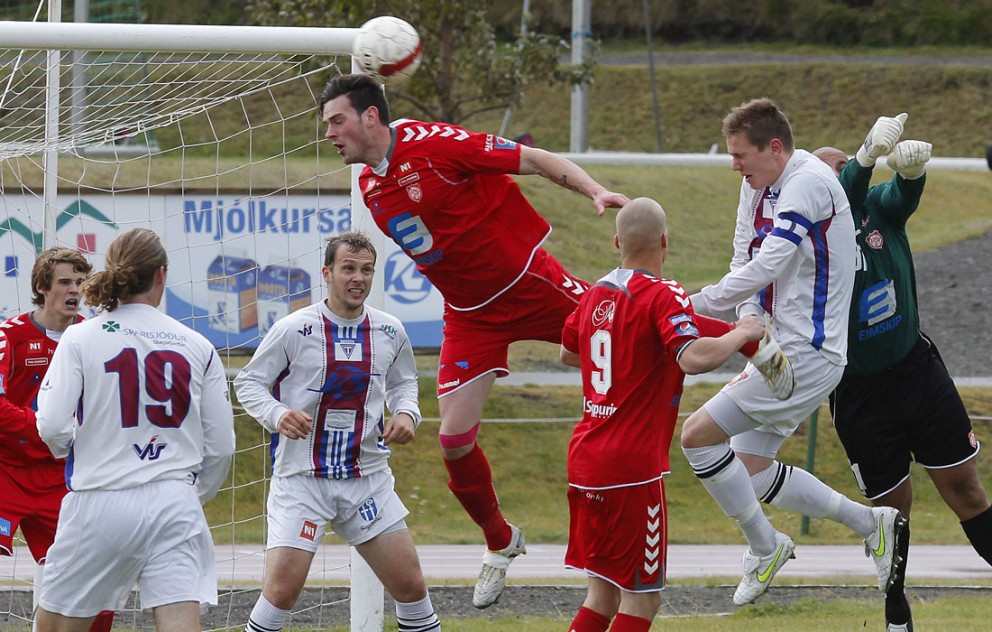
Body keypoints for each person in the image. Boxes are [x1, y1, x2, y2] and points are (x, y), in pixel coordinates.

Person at [317, 74, 794, 609]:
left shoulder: (432, 143)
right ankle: (501, 541)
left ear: (370, 118)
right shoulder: (368, 183)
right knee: (453, 441)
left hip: (529, 283)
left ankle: (756, 345)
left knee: (629, 318)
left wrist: (592, 189)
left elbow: (535, 159)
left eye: (337, 120)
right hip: (471, 315)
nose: (330, 132)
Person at [679, 97, 907, 606]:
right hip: (779, 348)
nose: (734, 165)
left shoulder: (808, 182)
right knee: (750, 469)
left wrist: (685, 303)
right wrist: (749, 328)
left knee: (696, 438)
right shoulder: (754, 185)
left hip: (811, 350)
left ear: (775, 148)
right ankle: (872, 523)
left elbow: (773, 262)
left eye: (741, 155)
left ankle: (766, 548)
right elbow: (745, 255)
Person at [816, 116, 992, 632]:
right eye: (832, 173)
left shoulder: (874, 210)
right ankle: (897, 612)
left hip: (916, 370)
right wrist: (863, 158)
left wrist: (912, 174)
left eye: (844, 168)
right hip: (858, 392)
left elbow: (897, 197)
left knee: (967, 490)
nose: (844, 175)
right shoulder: (812, 235)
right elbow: (846, 195)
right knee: (892, 515)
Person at [559, 198, 767, 632]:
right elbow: (692, 358)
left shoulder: (594, 292)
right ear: (665, 241)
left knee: (602, 594)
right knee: (642, 601)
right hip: (630, 469)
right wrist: (742, 333)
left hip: (585, 459)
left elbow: (568, 352)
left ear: (618, 242)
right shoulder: (662, 292)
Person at [235, 232, 441, 632]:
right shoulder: (295, 328)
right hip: (303, 479)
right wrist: (278, 414)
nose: (357, 278)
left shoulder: (390, 330)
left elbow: (405, 382)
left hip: (366, 477)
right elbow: (248, 383)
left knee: (411, 585)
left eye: (366, 270)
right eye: (348, 268)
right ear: (327, 273)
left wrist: (407, 413)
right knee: (282, 592)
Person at [34, 228, 236, 632]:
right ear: (161, 275)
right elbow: (222, 447)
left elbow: (53, 424)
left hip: (101, 498)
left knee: (55, 627)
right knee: (180, 622)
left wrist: (71, 449)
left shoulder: (80, 336)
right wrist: (190, 493)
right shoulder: (197, 344)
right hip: (175, 502)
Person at [0, 248, 114, 632]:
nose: (74, 290)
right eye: (65, 281)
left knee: (80, 579)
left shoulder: (92, 337)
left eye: (81, 282)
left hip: (60, 480)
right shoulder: (8, 336)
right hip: (6, 471)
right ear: (41, 287)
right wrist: (46, 429)